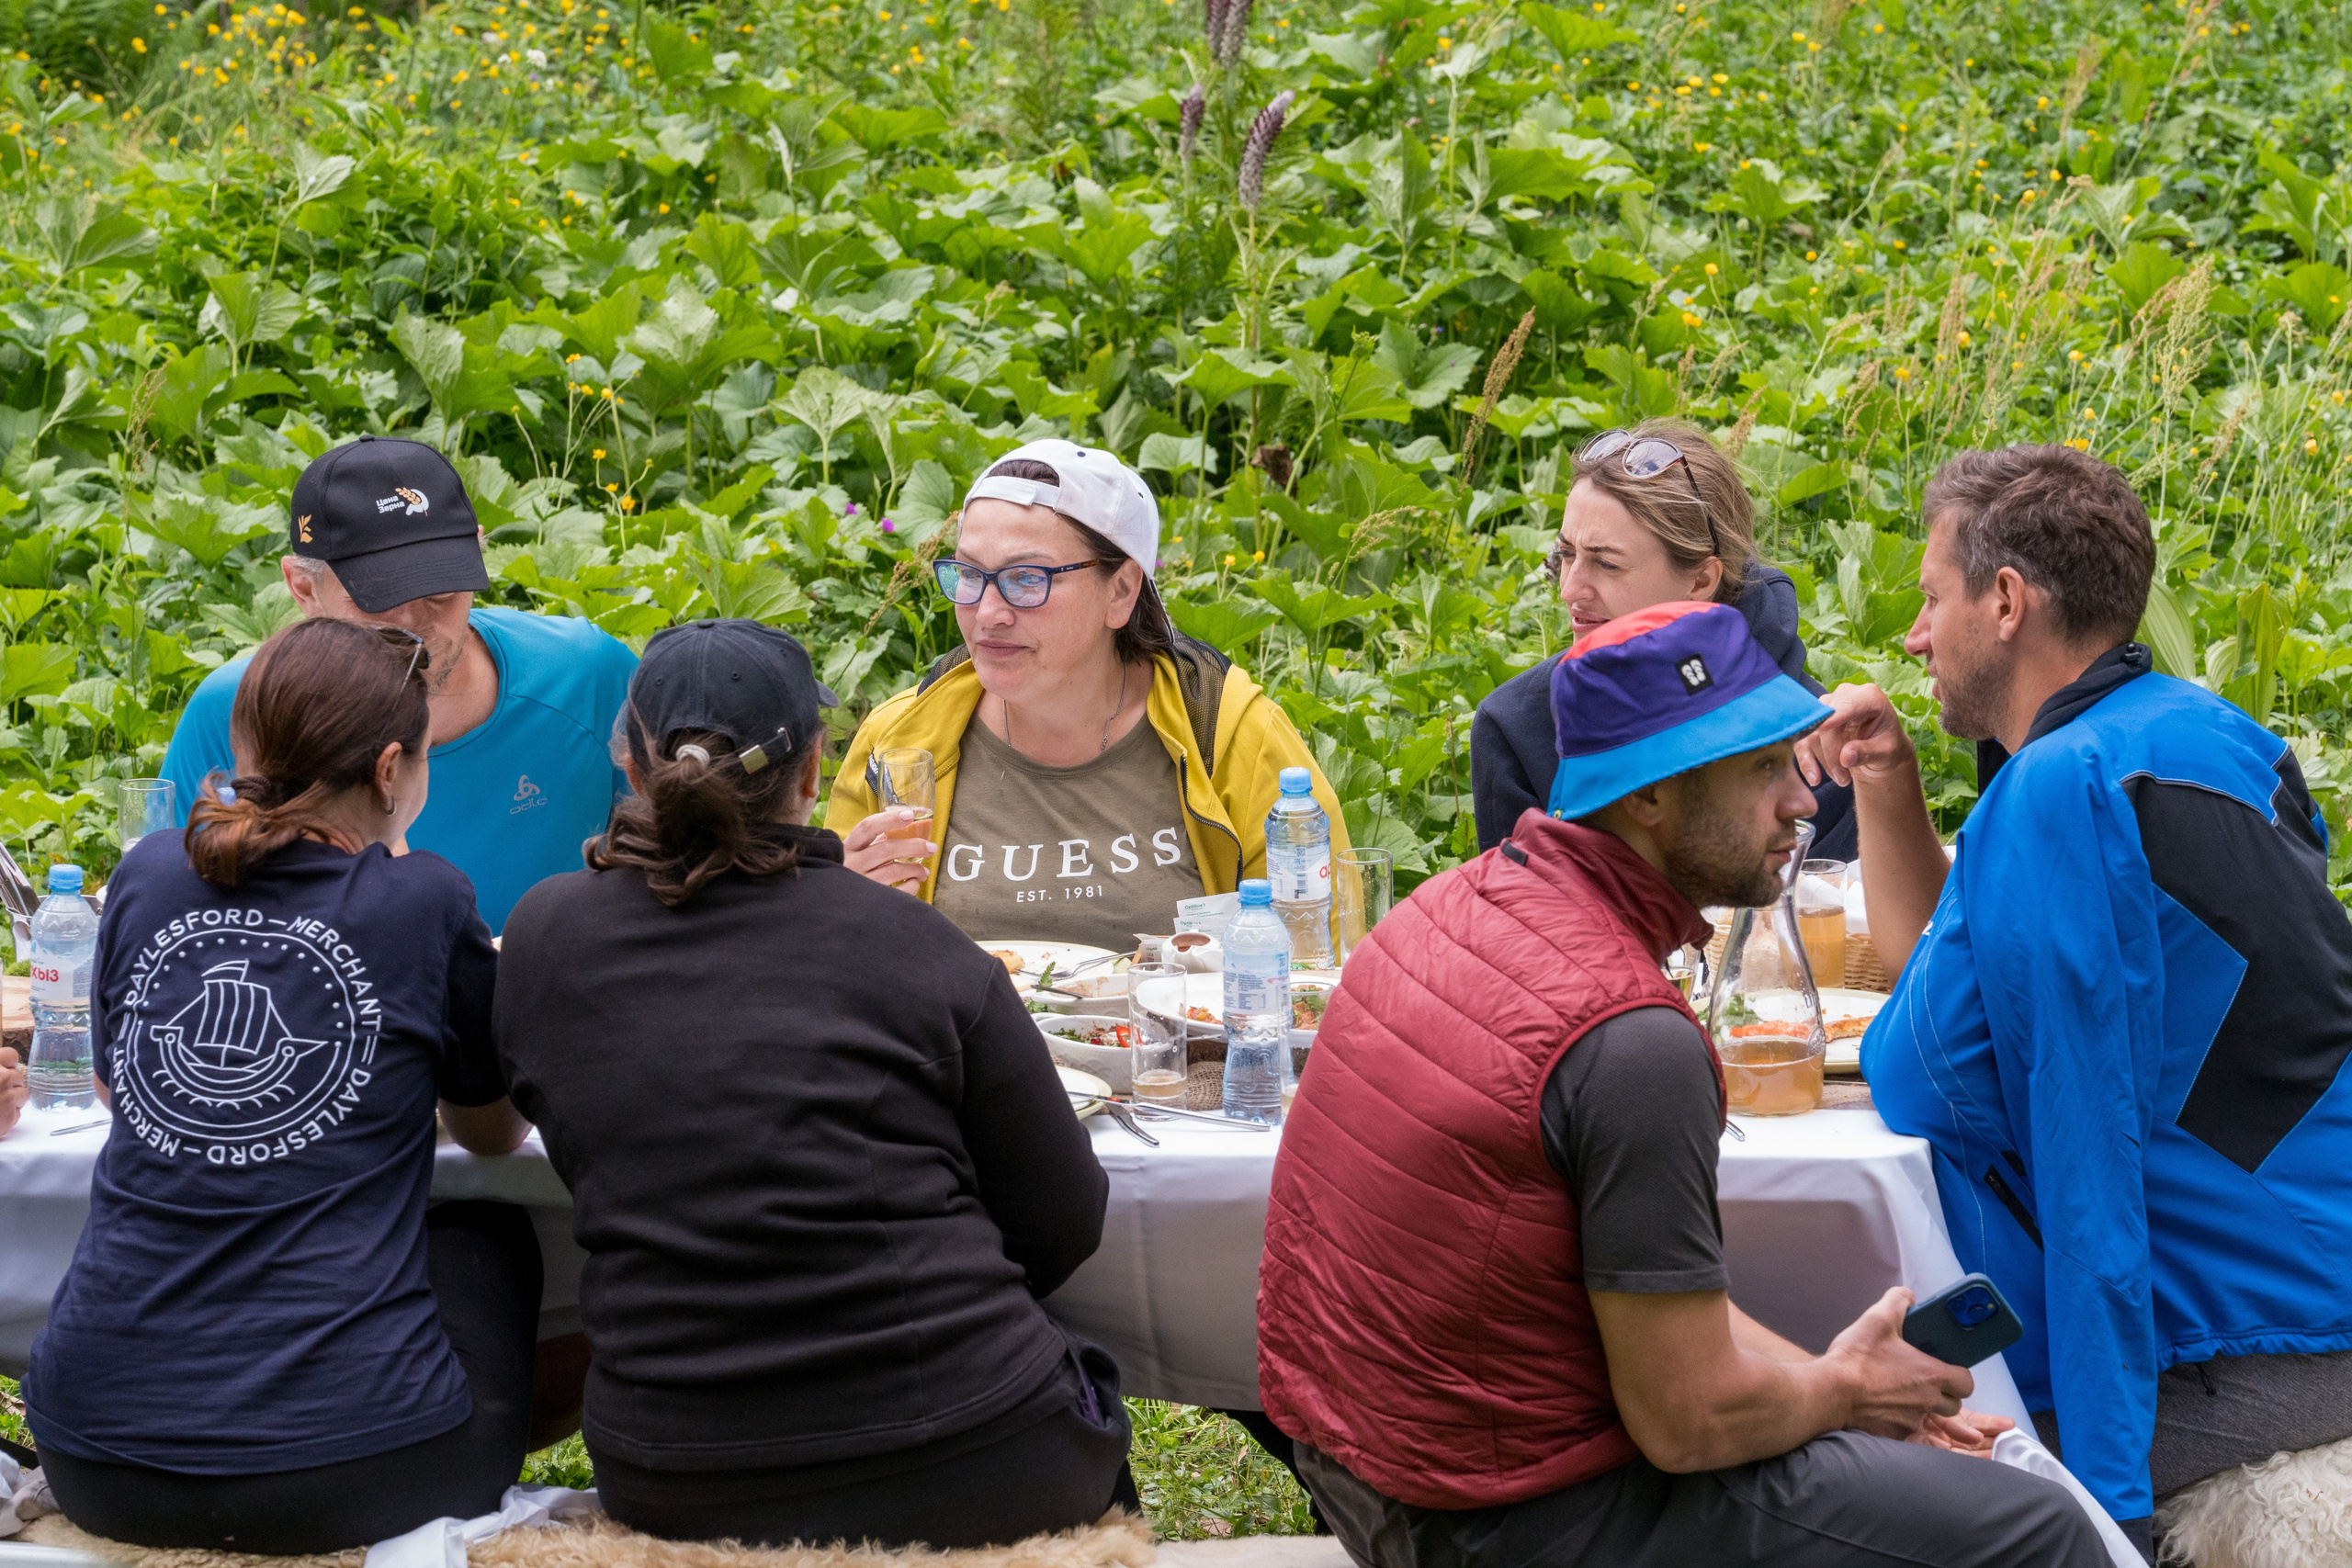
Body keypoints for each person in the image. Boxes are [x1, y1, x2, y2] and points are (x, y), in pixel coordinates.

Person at [1257, 601, 2104, 1568]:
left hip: (1367, 1473)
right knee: (2035, 1527)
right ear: (1648, 799)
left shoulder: (1450, 907)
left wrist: (1837, 1386)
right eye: (1758, 770)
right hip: (1504, 1519)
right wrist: (1848, 1396)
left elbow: (1651, 1312)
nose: (1799, 799)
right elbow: (1689, 1423)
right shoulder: (1627, 1039)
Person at [1794, 444, 2352, 1559]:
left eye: (1929, 597)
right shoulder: (2209, 738)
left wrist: (2105, 1508)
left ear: (2004, 602)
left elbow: (2089, 1156)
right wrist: (1891, 784)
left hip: (2236, 1350)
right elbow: (1970, 985)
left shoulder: (2063, 791)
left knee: (1815, 1470)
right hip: (2297, 1286)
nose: (1914, 637)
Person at [494, 619, 1133, 1550]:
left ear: (629, 766)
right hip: (980, 1452)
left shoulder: (544, 940)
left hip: (677, 1471)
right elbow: (1063, 1219)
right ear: (812, 771)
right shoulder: (917, 947)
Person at [24, 618, 539, 1553]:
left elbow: (116, 1090)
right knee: (489, 1234)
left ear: (244, 745)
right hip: (348, 1479)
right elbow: (495, 1135)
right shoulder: (426, 899)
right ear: (391, 770)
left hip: (92, 1461)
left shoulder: (144, 876)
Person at [828, 439, 1345, 952]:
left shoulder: (1231, 736)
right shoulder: (900, 742)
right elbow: (839, 979)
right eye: (970, 574)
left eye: (1027, 579)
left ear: (1120, 591)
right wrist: (845, 910)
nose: (988, 613)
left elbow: (1317, 963)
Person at [161, 435, 637, 933]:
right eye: (377, 597)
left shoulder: (590, 678)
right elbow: (178, 921)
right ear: (304, 588)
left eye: (443, 590)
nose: (414, 623)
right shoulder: (238, 707)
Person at [1471, 420, 1857, 863]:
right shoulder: (1518, 729)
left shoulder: (1815, 742)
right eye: (1565, 555)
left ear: (1700, 579)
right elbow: (1520, 918)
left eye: (1607, 564)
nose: (1569, 589)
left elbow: (1819, 919)